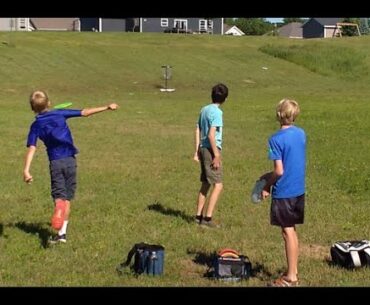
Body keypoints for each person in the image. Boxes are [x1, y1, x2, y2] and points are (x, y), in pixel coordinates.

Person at [23, 90, 119, 244]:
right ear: (49, 103)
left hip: (55, 162)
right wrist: (107, 107)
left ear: (32, 108)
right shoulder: (60, 113)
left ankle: (59, 211)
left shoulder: (36, 125)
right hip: (70, 160)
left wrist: (26, 170)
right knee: (67, 198)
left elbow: (32, 148)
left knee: (59, 197)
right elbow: (85, 112)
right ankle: (62, 235)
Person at [261, 98, 306, 287]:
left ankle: (291, 278)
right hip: (298, 189)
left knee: (287, 232)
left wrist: (266, 185)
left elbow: (279, 171)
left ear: (279, 115)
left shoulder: (275, 139)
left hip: (285, 192)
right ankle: (292, 271)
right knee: (292, 230)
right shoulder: (302, 134)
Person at [193, 83, 228, 228]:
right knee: (218, 185)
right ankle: (207, 219)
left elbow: (197, 129)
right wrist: (217, 155)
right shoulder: (217, 113)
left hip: (202, 148)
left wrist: (197, 150)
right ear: (225, 98)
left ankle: (198, 216)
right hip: (211, 150)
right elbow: (211, 135)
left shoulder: (204, 109)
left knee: (206, 184)